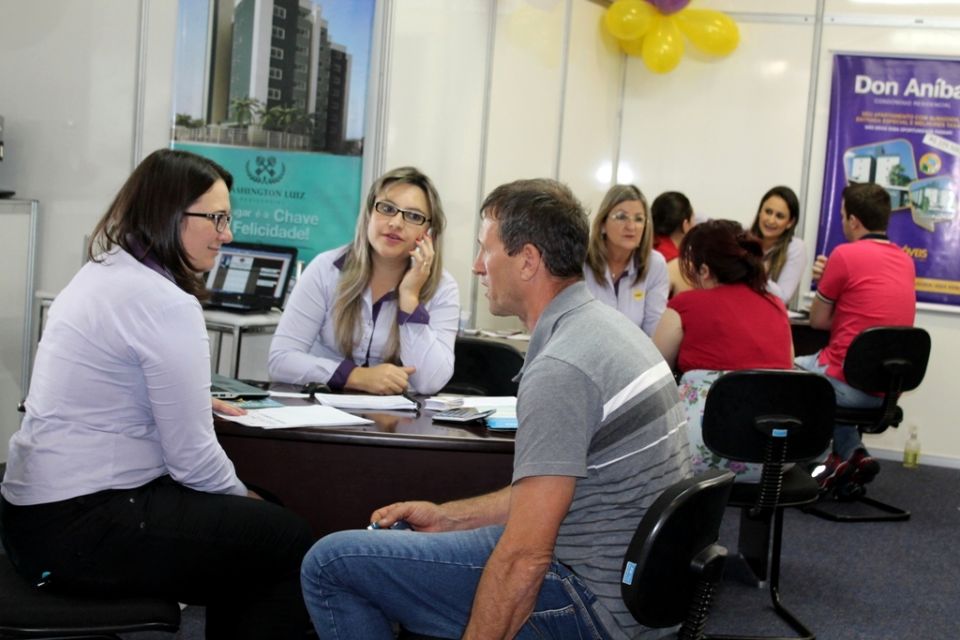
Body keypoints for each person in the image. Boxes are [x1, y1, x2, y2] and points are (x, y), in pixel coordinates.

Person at [300, 179, 690, 639]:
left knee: (331, 564)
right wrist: (449, 518)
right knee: (396, 547)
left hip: (593, 604)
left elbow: (526, 558)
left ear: (527, 260)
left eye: (486, 250)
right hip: (634, 592)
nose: (477, 267)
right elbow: (556, 494)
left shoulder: (563, 366)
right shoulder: (604, 331)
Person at [0, 149, 314, 639]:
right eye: (216, 218)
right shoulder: (163, 301)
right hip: (81, 524)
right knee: (286, 537)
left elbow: (105, 386)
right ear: (169, 215)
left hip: (33, 518)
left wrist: (183, 400)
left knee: (256, 524)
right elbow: (192, 460)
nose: (227, 234)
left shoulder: (106, 270)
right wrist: (244, 500)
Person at [268, 166, 459, 395]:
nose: (396, 223)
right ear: (369, 213)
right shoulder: (325, 269)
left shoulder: (443, 288)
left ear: (430, 233)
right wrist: (355, 376)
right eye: (387, 208)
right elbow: (280, 360)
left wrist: (410, 298)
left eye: (413, 216)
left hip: (396, 422)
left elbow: (430, 382)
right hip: (322, 413)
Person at [797, 182, 915, 496]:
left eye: (842, 216)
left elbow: (818, 320)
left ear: (853, 221)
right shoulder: (906, 261)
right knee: (832, 377)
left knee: (786, 370)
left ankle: (822, 462)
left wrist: (827, 282)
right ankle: (855, 456)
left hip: (850, 386)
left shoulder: (844, 255)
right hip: (888, 391)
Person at [653, 220, 793, 481]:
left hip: (705, 448)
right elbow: (789, 365)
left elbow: (652, 370)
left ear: (704, 270)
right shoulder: (776, 305)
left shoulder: (685, 305)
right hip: (777, 454)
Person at [583, 184, 669, 336]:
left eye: (639, 219)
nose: (631, 226)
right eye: (621, 217)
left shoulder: (655, 264)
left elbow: (653, 328)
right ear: (603, 224)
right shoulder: (581, 260)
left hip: (631, 357)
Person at [750, 185, 806, 303]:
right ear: (760, 212)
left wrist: (756, 272)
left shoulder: (795, 247)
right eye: (768, 212)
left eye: (779, 216)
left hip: (768, 317)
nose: (771, 220)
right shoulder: (745, 238)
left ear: (790, 222)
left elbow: (782, 298)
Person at [651, 190, 695, 297]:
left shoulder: (641, 249)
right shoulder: (680, 265)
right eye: (694, 220)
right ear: (685, 225)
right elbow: (685, 306)